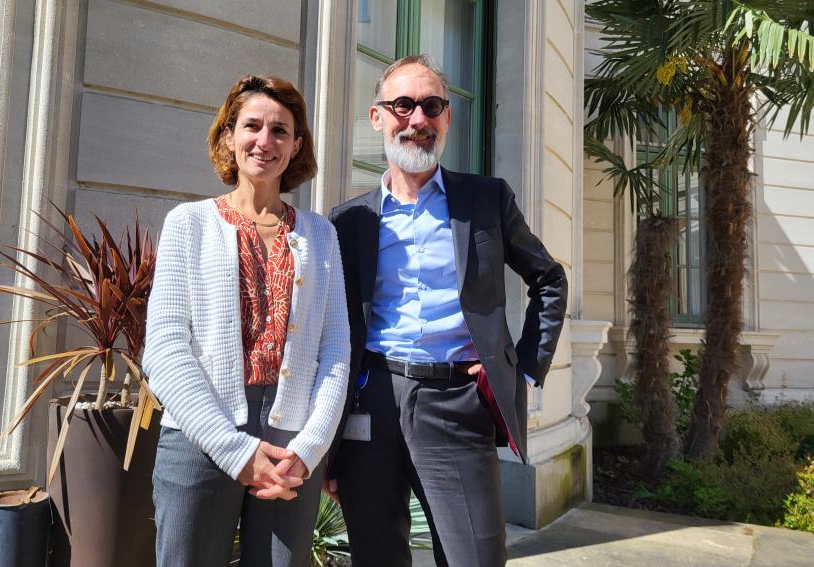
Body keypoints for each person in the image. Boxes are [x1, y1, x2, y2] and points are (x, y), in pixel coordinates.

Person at [327, 55, 568, 566]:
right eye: (403, 105)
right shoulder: (347, 222)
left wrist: (524, 367)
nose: (417, 119)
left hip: (458, 404)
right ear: (378, 118)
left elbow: (549, 278)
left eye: (431, 105)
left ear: (447, 118)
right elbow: (333, 326)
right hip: (370, 405)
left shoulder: (486, 200)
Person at [143, 74, 350, 567]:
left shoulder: (321, 236)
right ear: (229, 136)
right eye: (252, 126)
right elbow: (166, 350)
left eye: (280, 130)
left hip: (290, 445)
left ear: (297, 145)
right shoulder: (187, 224)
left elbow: (336, 348)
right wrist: (233, 450)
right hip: (199, 432)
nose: (265, 141)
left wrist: (309, 446)